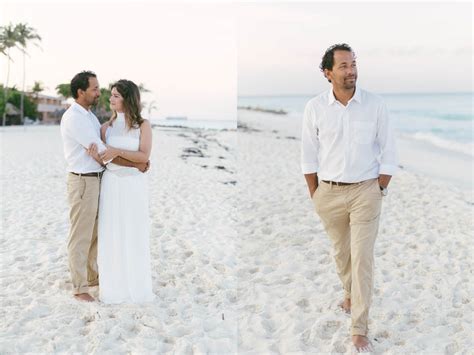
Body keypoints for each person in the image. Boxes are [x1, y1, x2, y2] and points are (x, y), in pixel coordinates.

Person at [301, 44, 398, 353]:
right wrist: (316, 194)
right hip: (328, 192)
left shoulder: (375, 105)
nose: (351, 70)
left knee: (362, 258)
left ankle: (359, 327)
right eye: (343, 66)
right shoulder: (315, 108)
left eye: (353, 64)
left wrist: (379, 187)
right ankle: (348, 293)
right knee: (342, 255)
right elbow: (308, 154)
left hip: (365, 191)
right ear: (327, 73)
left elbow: (389, 150)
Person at [60, 71, 148, 302]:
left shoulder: (88, 116)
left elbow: (105, 152)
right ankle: (80, 287)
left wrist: (134, 162)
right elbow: (101, 151)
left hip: (99, 179)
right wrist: (136, 164)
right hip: (83, 180)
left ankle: (91, 276)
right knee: (80, 235)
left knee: (96, 234)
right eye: (95, 89)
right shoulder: (75, 118)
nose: (100, 93)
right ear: (81, 92)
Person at [88, 79, 155, 304]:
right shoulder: (106, 127)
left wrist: (117, 152)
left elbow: (144, 156)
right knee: (112, 234)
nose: (111, 99)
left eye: (116, 95)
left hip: (133, 186)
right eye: (111, 95)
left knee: (134, 232)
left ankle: (136, 287)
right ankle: (114, 289)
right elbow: (105, 160)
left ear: (128, 98)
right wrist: (98, 155)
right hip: (112, 184)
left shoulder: (143, 125)